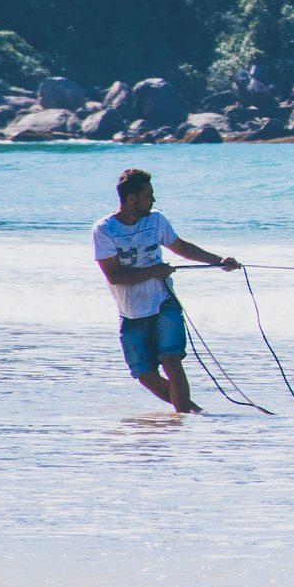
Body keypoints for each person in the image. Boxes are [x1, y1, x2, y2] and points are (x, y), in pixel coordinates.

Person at [92, 168, 240, 413]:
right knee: (145, 376)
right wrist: (154, 271)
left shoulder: (156, 219)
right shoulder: (105, 229)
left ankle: (184, 422)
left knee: (171, 360)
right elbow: (114, 276)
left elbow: (180, 246)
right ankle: (195, 413)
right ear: (132, 199)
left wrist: (218, 261)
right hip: (131, 312)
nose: (153, 200)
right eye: (149, 195)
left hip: (163, 302)